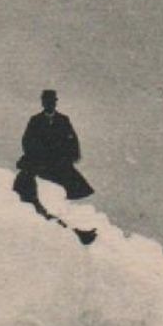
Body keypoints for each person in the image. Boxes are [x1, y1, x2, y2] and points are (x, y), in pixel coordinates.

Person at [13, 89, 97, 244]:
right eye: (46, 101)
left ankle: (78, 232)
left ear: (55, 102)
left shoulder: (63, 120)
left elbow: (72, 141)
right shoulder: (35, 121)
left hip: (57, 165)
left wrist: (67, 156)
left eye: (51, 101)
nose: (49, 104)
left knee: (61, 200)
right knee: (47, 206)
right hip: (40, 164)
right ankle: (76, 233)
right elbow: (28, 141)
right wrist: (39, 156)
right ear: (42, 103)